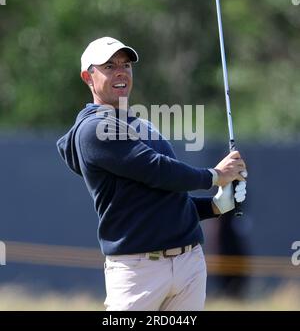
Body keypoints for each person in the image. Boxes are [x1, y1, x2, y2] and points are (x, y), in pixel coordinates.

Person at [57, 36, 247, 311]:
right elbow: (156, 170)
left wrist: (216, 206)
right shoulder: (93, 130)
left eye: (126, 65)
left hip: (188, 262)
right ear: (88, 77)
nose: (121, 71)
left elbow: (166, 196)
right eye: (109, 66)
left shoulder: (144, 126)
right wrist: (216, 176)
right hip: (137, 271)